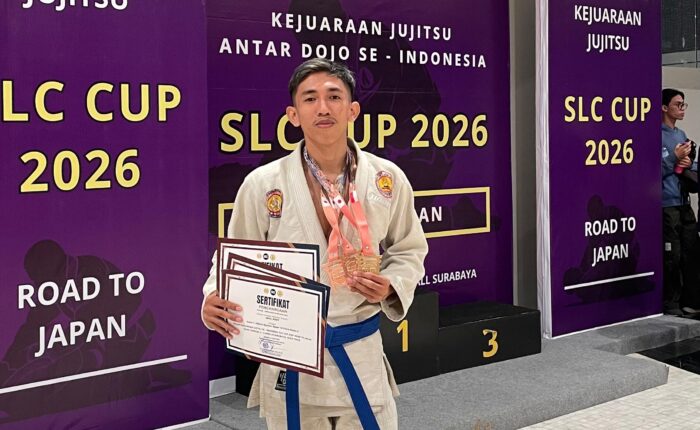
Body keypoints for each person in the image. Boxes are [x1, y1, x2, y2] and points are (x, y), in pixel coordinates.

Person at [201, 58, 428, 429]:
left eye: (334, 96)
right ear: (293, 115)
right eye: (310, 98)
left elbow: (409, 249)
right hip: (290, 355)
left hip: (360, 352)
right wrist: (214, 296)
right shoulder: (263, 184)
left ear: (352, 110)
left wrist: (391, 285)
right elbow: (234, 258)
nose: (323, 107)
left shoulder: (387, 179)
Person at [661, 88, 699, 315]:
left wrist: (688, 163)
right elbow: (651, 169)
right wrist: (674, 159)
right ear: (664, 107)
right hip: (667, 204)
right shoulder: (655, 135)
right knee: (672, 256)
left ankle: (690, 301)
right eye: (678, 104)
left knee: (691, 251)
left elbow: (691, 166)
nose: (682, 109)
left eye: (684, 104)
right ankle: (671, 304)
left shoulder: (681, 134)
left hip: (684, 202)